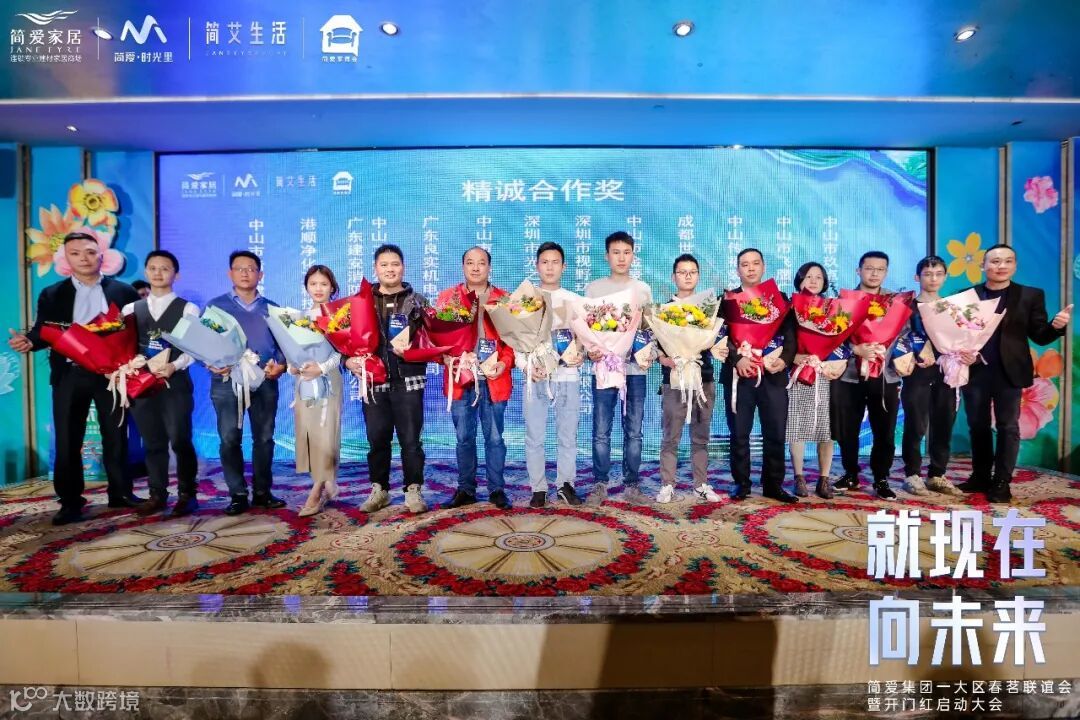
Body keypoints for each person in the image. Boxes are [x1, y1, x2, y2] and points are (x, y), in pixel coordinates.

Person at [8, 232, 143, 525]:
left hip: (111, 375)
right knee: (68, 439)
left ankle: (121, 492)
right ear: (66, 258)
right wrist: (30, 341)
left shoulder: (123, 292)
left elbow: (136, 331)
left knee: (116, 435)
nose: (84, 258)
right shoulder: (52, 293)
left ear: (102, 256)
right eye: (76, 253)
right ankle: (70, 501)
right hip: (69, 374)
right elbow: (43, 330)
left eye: (90, 252)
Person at [958, 244, 1071, 503]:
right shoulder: (967, 296)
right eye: (995, 261)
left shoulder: (1030, 295)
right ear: (983, 266)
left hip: (1010, 372)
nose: (1001, 266)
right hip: (975, 370)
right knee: (978, 426)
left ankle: (1002, 481)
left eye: (1008, 261)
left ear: (1015, 265)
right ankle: (980, 476)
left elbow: (1040, 336)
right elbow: (957, 334)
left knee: (1008, 427)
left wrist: (1056, 327)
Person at [205, 250, 287, 515]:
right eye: (239, 268)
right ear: (230, 273)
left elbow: (284, 345)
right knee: (230, 438)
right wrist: (209, 362)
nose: (245, 273)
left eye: (251, 269)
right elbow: (202, 342)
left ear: (260, 275)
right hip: (227, 381)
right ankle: (238, 494)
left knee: (264, 438)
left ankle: (262, 492)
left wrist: (281, 364)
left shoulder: (272, 308)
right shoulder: (215, 307)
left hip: (265, 380)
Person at [352, 244, 430, 515]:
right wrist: (347, 360)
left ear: (403, 267)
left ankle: (413, 489)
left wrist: (414, 350)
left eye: (395, 264)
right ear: (375, 268)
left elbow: (432, 340)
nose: (390, 269)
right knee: (377, 439)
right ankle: (380, 489)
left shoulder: (418, 302)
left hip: (408, 378)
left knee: (411, 439)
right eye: (384, 265)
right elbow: (347, 341)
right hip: (373, 380)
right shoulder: (361, 302)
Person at [122, 250, 201, 517]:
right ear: (146, 272)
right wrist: (129, 364)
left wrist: (174, 366)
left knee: (180, 439)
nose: (158, 273)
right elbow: (123, 346)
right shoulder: (131, 309)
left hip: (175, 383)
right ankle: (157, 494)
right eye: (153, 268)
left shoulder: (188, 309)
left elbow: (194, 348)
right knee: (152, 441)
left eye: (165, 268)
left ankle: (188, 494)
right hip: (142, 385)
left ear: (175, 275)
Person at [721, 248, 797, 503]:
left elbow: (791, 336)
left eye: (755, 263)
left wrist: (784, 360)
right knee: (739, 432)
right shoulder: (728, 300)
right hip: (740, 375)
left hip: (772, 375)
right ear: (737, 269)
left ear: (763, 267)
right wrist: (737, 359)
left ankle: (773, 484)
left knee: (775, 432)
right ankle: (741, 483)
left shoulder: (779, 299)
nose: (751, 268)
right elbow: (720, 336)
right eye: (745, 264)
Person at [441, 247, 515, 509]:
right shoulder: (448, 298)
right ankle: (466, 489)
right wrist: (444, 357)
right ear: (463, 267)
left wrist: (504, 363)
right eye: (470, 263)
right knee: (464, 438)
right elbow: (438, 339)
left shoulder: (503, 299)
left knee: (494, 438)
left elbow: (513, 343)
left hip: (493, 379)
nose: (475, 268)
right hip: (461, 379)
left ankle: (496, 489)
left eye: (481, 263)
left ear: (489, 267)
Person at [585, 231, 654, 505]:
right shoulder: (594, 289)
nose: (621, 258)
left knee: (634, 431)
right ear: (607, 256)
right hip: (604, 369)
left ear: (633, 255)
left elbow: (649, 330)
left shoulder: (643, 289)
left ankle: (632, 484)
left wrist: (649, 352)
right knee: (601, 431)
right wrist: (590, 351)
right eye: (616, 252)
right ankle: (600, 484)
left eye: (626, 252)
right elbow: (586, 329)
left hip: (635, 370)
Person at [832, 251, 901, 500]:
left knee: (885, 430)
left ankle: (881, 478)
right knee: (847, 429)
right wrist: (855, 349)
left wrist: (887, 353)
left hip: (885, 375)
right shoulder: (843, 302)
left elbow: (903, 336)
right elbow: (831, 336)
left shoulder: (895, 303)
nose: (874, 273)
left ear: (886, 272)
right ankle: (850, 473)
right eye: (869, 268)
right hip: (849, 375)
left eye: (880, 269)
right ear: (858, 270)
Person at [655, 253, 724, 504]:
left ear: (698, 276)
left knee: (701, 435)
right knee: (671, 435)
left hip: (703, 378)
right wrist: (664, 359)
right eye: (682, 272)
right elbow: (656, 347)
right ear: (673, 277)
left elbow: (718, 342)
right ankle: (667, 484)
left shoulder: (708, 309)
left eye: (692, 272)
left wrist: (718, 348)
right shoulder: (663, 311)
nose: (687, 276)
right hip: (674, 379)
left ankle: (700, 484)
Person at [520, 241, 584, 507]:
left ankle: (566, 484)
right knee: (534, 435)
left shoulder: (575, 300)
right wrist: (526, 366)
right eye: (544, 262)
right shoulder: (526, 300)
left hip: (567, 377)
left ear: (563, 267)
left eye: (555, 262)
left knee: (568, 436)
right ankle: (538, 488)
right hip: (536, 377)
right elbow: (516, 342)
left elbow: (584, 339)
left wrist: (581, 354)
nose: (549, 267)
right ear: (536, 266)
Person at [899, 256, 963, 497]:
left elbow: (966, 337)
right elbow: (898, 339)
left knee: (944, 423)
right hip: (917, 373)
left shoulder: (954, 308)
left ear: (945, 277)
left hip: (947, 373)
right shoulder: (907, 307)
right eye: (927, 274)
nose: (933, 279)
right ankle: (912, 474)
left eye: (938, 274)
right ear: (917, 277)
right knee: (915, 424)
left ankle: (937, 474)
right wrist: (913, 355)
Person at [786, 262, 844, 500]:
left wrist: (835, 361)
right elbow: (782, 340)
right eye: (808, 276)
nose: (813, 280)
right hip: (800, 373)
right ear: (799, 280)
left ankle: (824, 479)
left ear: (824, 282)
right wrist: (794, 357)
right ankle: (799, 477)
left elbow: (843, 340)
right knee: (796, 426)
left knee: (826, 428)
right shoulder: (790, 308)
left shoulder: (834, 308)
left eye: (818, 277)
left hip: (827, 373)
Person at [290, 265, 343, 517]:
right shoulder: (298, 318)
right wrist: (293, 367)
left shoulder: (339, 317)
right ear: (306, 287)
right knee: (310, 435)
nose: (318, 288)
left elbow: (342, 352)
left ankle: (315, 492)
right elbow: (291, 352)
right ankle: (325, 480)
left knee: (327, 434)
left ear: (332, 287)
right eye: (313, 284)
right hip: (304, 381)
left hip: (328, 380)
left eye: (324, 284)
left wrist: (321, 368)